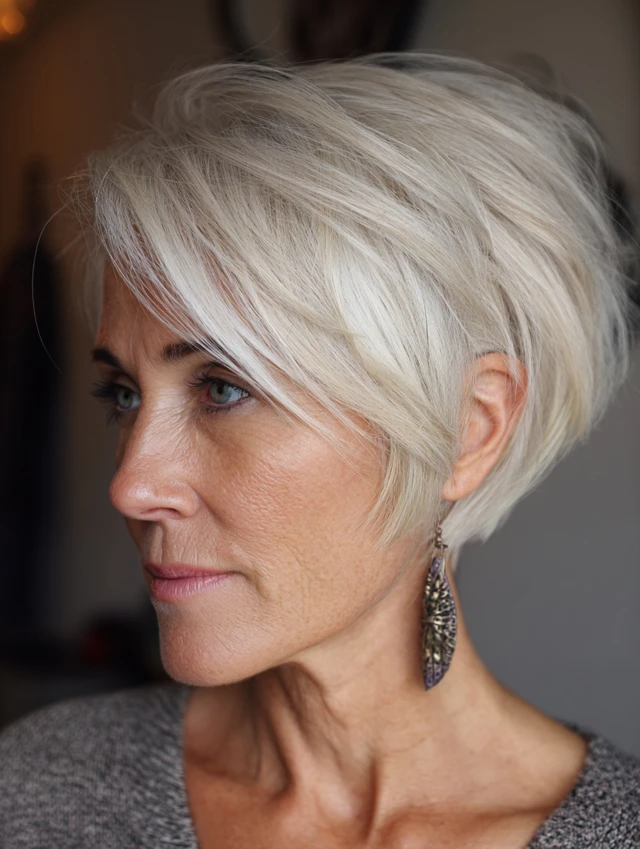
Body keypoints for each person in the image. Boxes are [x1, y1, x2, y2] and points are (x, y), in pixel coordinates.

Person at [1, 52, 639, 848]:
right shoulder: (39, 786)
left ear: (468, 428)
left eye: (222, 387)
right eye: (124, 395)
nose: (131, 486)